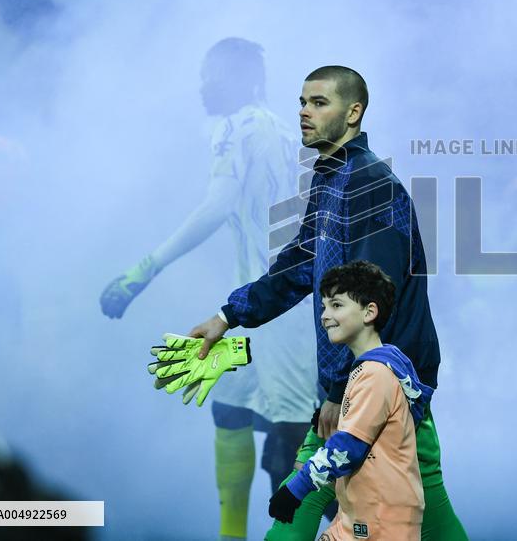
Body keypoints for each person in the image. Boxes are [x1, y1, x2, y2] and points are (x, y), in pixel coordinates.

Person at [187, 65, 467, 541]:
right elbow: (300, 265)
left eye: (319, 103)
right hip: (365, 384)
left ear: (354, 112)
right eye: (301, 102)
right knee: (411, 511)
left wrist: (341, 391)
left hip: (382, 387)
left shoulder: (369, 183)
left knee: (311, 509)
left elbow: (371, 297)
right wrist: (226, 316)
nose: (303, 112)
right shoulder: (333, 178)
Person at [98, 38, 318, 541]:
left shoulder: (238, 125)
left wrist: (144, 270)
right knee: (231, 404)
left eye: (212, 75)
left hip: (281, 315)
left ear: (247, 81)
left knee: (290, 441)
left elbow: (216, 206)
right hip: (269, 304)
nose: (203, 86)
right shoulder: (285, 133)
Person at [270, 261, 432, 540]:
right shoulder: (376, 366)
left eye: (336, 305)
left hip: (378, 520)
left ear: (370, 312)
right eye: (323, 306)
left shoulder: (375, 375)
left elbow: (348, 448)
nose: (324, 316)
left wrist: (295, 489)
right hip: (362, 514)